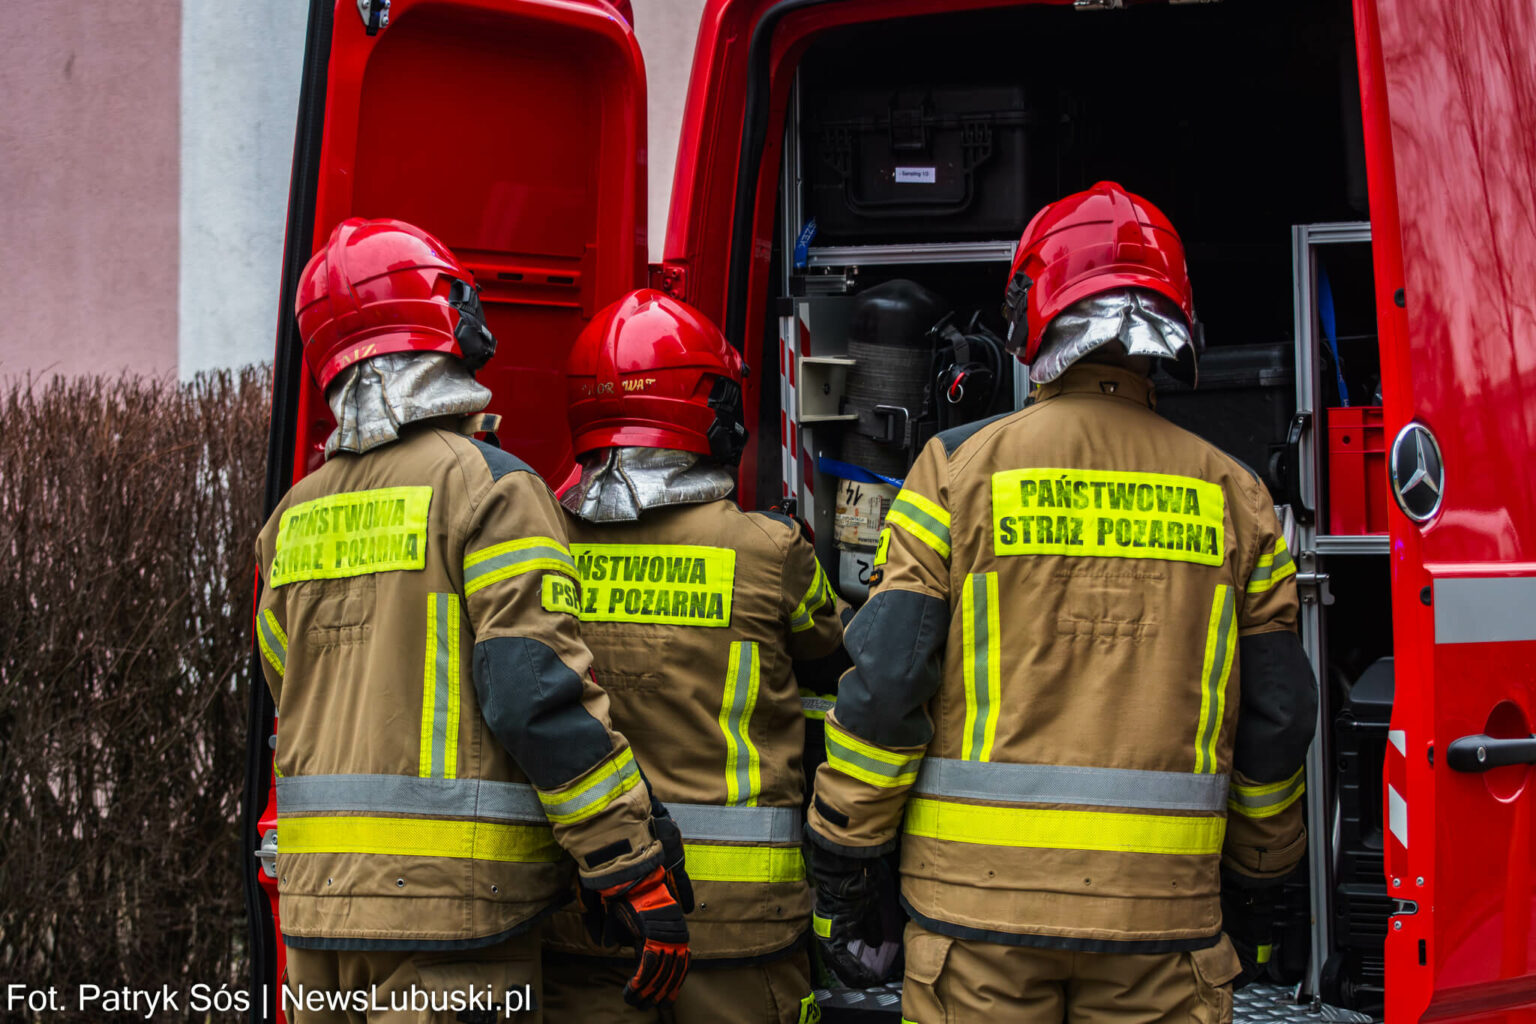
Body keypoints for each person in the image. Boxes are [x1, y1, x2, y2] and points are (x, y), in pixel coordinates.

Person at [803, 182, 1317, 1023]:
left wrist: (844, 852)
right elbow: (1279, 717)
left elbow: (890, 685)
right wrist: (1263, 879)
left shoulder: (955, 470)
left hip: (977, 920)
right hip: (1164, 920)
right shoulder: (1237, 496)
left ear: (1031, 312)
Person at [254, 218, 691, 1023]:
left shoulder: (291, 517)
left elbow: (290, 682)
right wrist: (627, 860)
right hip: (452, 915)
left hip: (315, 915)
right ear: (439, 315)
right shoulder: (488, 487)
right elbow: (534, 693)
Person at [538, 290, 844, 1024]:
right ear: (709, 409)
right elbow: (831, 655)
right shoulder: (769, 551)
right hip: (738, 929)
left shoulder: (538, 546)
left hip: (592, 914)